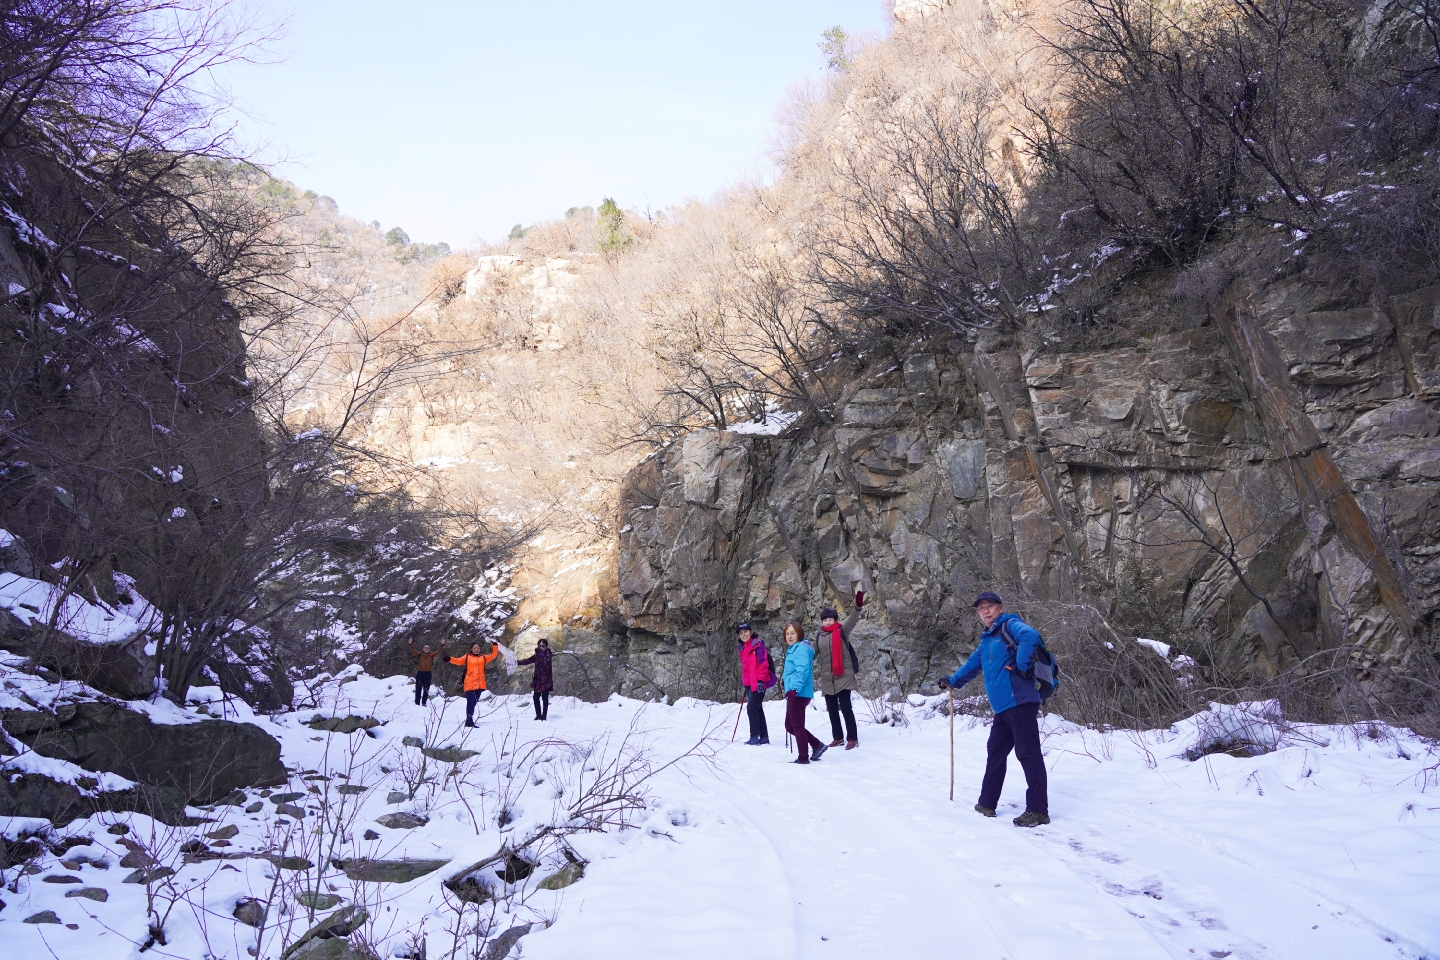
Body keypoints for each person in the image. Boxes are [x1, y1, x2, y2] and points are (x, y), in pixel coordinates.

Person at [939, 591, 1050, 827]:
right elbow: (972, 664)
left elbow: (1030, 635)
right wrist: (953, 681)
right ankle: (987, 803)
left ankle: (1039, 810)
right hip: (1003, 708)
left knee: (1028, 754)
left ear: (1000, 607)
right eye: (981, 608)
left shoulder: (1010, 625)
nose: (985, 611)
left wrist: (1022, 666)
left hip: (1020, 702)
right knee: (995, 753)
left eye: (990, 606)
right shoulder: (988, 639)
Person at [814, 590, 865, 750]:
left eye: (830, 619)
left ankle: (852, 738)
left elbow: (853, 620)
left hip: (844, 676)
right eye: (825, 620)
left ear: (835, 620)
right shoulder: (819, 636)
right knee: (832, 709)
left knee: (845, 707)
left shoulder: (842, 631)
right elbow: (813, 653)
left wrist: (857, 606)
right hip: (828, 678)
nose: (827, 622)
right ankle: (838, 737)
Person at [780, 622, 827, 765]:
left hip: (798, 693)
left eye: (793, 633)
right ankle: (817, 745)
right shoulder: (794, 649)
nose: (789, 636)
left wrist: (794, 688)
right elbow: (792, 671)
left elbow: (802, 671)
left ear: (799, 634)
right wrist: (785, 682)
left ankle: (803, 757)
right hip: (795, 692)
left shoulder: (800, 649)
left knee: (797, 726)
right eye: (787, 633)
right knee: (790, 726)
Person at [736, 622, 773, 745]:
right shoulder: (742, 647)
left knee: (751, 707)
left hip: (758, 682)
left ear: (751, 632)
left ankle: (754, 737)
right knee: (758, 708)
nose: (743, 634)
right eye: (741, 633)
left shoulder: (757, 644)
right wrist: (745, 682)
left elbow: (763, 663)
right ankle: (764, 737)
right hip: (748, 683)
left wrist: (761, 680)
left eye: (745, 631)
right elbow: (746, 667)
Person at [448, 640, 499, 728]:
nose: (476, 649)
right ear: (471, 649)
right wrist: (449, 659)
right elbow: (458, 661)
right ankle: (469, 721)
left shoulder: (483, 657)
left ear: (480, 649)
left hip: (479, 684)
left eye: (478, 648)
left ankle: (469, 719)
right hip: (469, 683)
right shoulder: (467, 656)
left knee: (474, 703)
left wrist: (495, 645)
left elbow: (493, 655)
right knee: (470, 703)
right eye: (474, 648)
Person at [516, 638, 554, 721]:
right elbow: (529, 660)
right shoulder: (537, 654)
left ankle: (544, 716)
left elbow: (545, 662)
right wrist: (517, 662)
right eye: (539, 646)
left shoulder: (548, 654)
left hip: (546, 680)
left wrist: (540, 654)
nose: (541, 647)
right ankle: (538, 715)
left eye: (543, 646)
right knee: (536, 698)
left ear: (546, 646)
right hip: (538, 680)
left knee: (545, 698)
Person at [408, 641, 439, 706]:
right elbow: (413, 650)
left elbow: (439, 651)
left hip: (428, 674)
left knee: (426, 689)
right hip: (420, 673)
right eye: (425, 647)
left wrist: (442, 644)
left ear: (429, 649)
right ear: (423, 649)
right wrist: (410, 644)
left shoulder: (431, 655)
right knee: (418, 688)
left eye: (428, 648)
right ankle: (417, 702)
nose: (426, 649)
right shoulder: (419, 655)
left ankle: (424, 702)